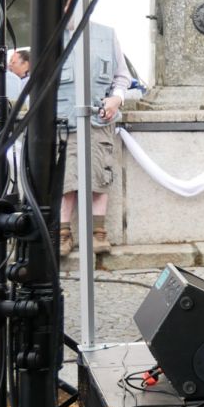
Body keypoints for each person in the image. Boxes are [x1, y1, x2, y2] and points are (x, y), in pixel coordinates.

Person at [57, 21, 132, 255]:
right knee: (65, 178)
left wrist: (116, 99)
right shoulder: (50, 35)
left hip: (98, 119)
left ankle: (98, 232)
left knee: (101, 174)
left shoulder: (107, 34)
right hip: (63, 120)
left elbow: (122, 76)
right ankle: (62, 233)